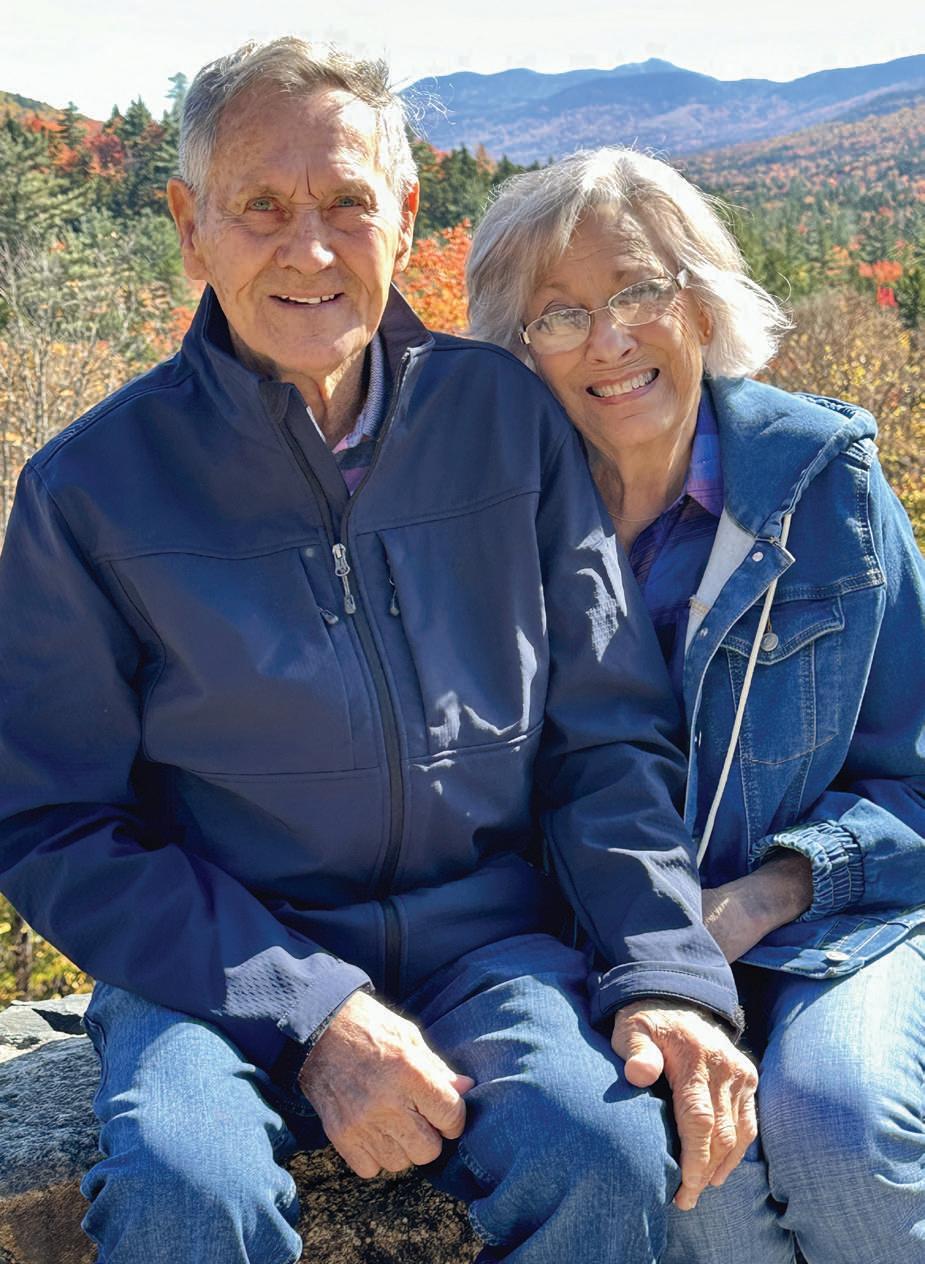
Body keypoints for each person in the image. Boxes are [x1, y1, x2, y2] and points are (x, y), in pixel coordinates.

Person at [0, 44, 757, 1264]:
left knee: (607, 1152)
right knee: (185, 1192)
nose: (309, 249)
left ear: (405, 216)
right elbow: (54, 824)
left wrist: (662, 971)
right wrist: (312, 1007)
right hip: (214, 963)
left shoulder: (503, 421)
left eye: (347, 203)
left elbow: (604, 735)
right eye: (261, 206)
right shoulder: (89, 489)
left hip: (485, 945)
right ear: (190, 229)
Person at [468, 145, 925, 1264]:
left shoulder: (824, 483)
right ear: (517, 350)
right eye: (558, 315)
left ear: (703, 299)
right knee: (682, 1166)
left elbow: (915, 775)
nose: (608, 341)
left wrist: (768, 893)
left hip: (827, 920)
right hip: (603, 945)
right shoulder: (483, 524)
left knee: (841, 1122)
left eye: (637, 291)